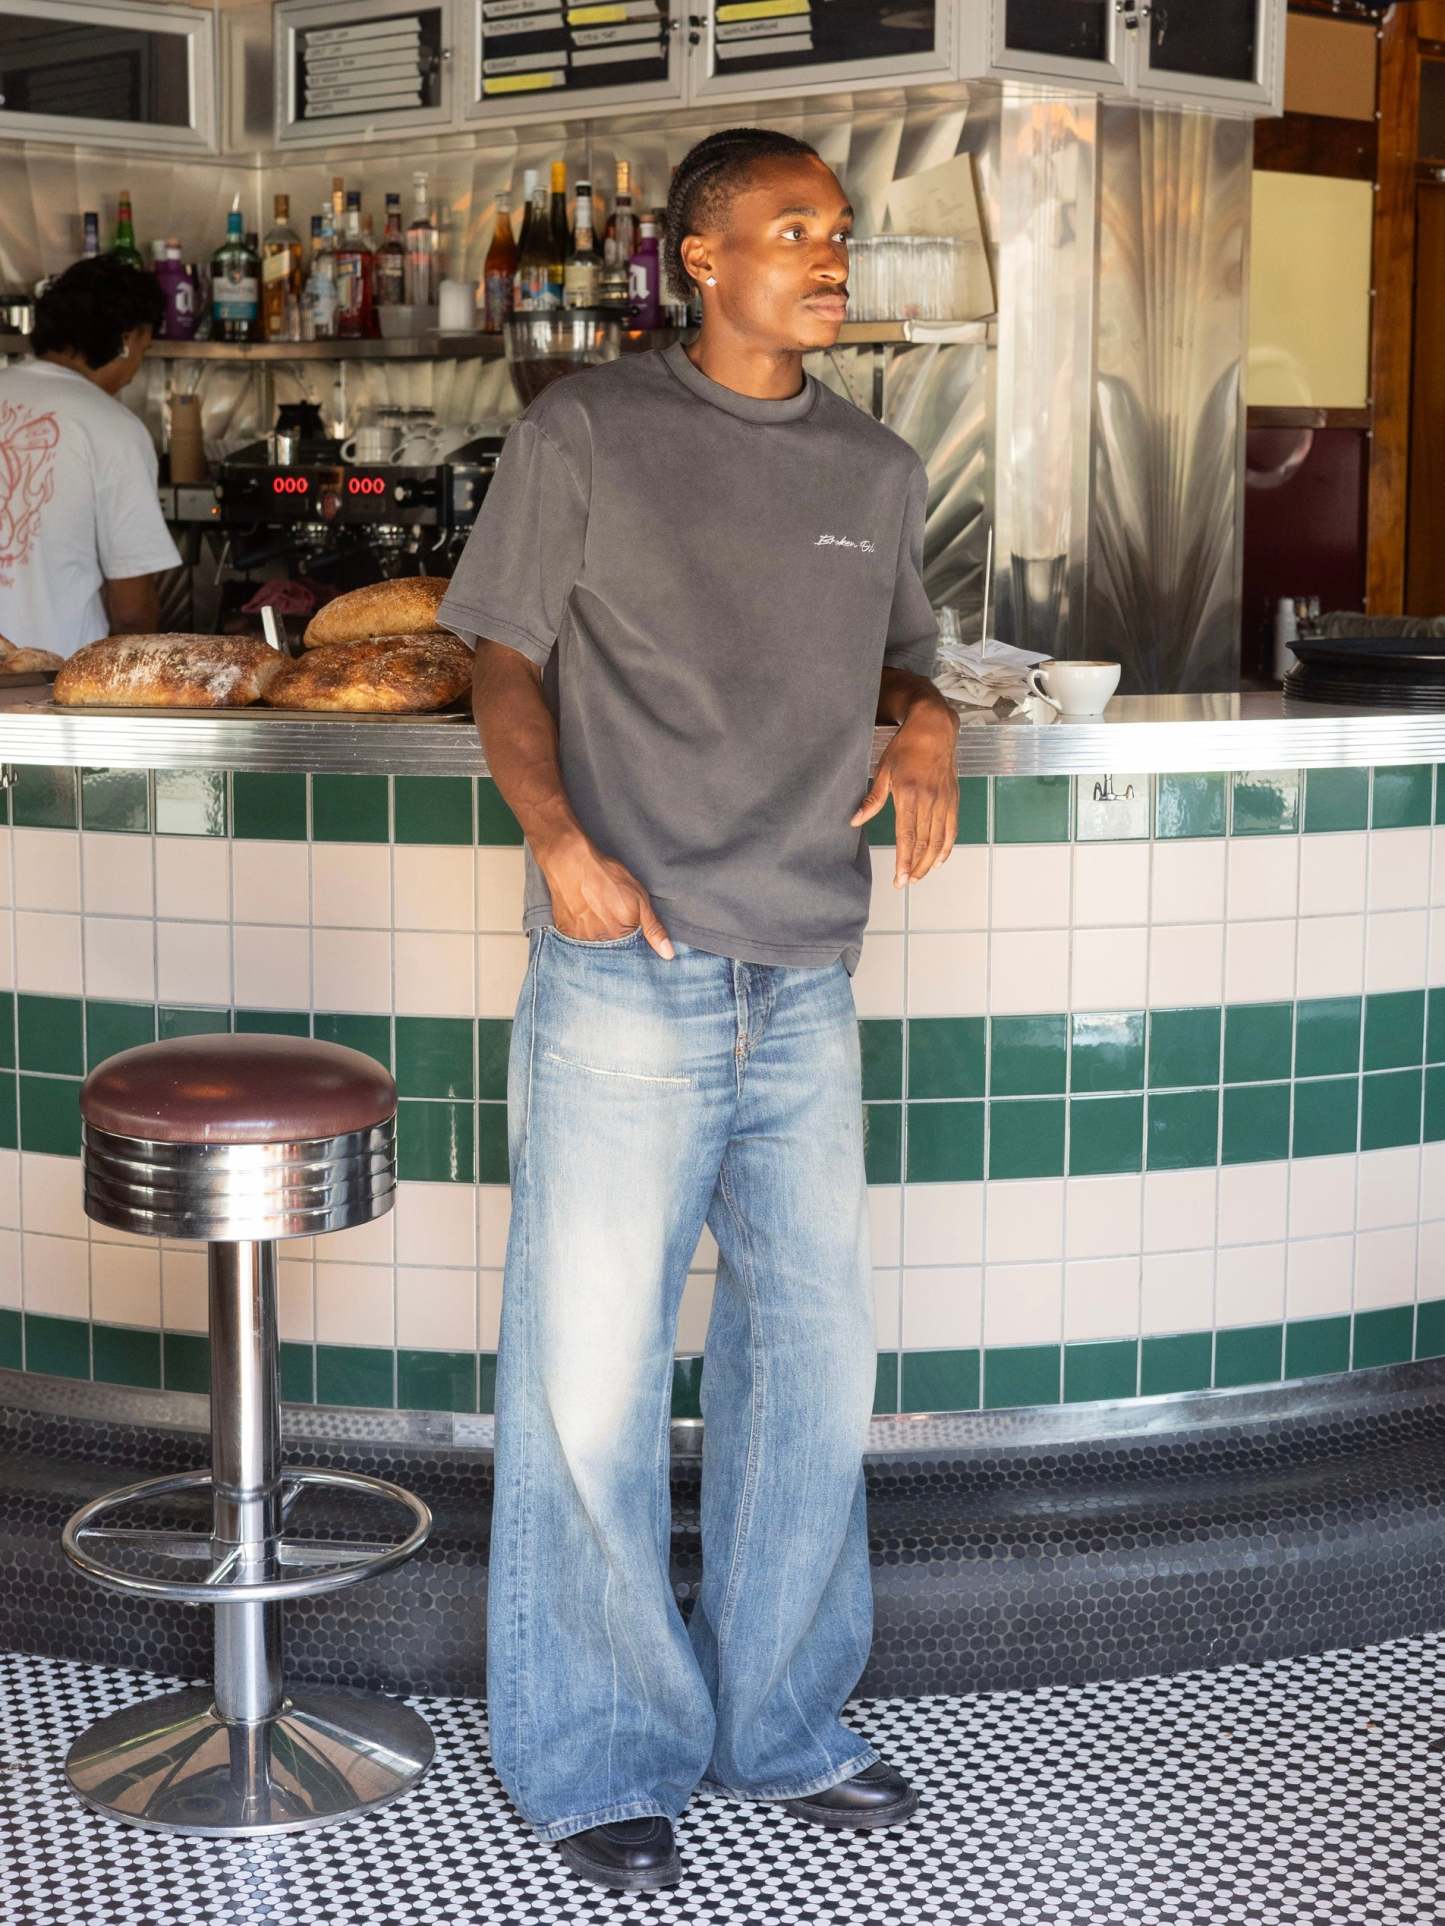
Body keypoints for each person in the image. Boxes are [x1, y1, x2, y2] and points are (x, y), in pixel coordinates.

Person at [437, 126, 960, 1896]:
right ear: (698, 262)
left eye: (839, 230)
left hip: (807, 974)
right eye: (790, 229)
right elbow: (501, 654)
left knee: (809, 1373)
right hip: (629, 969)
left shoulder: (876, 463)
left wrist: (929, 714)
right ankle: (601, 1753)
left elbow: (901, 644)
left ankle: (786, 1724)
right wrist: (557, 838)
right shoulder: (589, 430)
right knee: (591, 1382)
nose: (829, 255)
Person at [0, 256, 181, 656]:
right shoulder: (113, 428)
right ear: (127, 339)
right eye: (144, 349)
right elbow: (132, 613)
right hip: (56, 680)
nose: (134, 370)